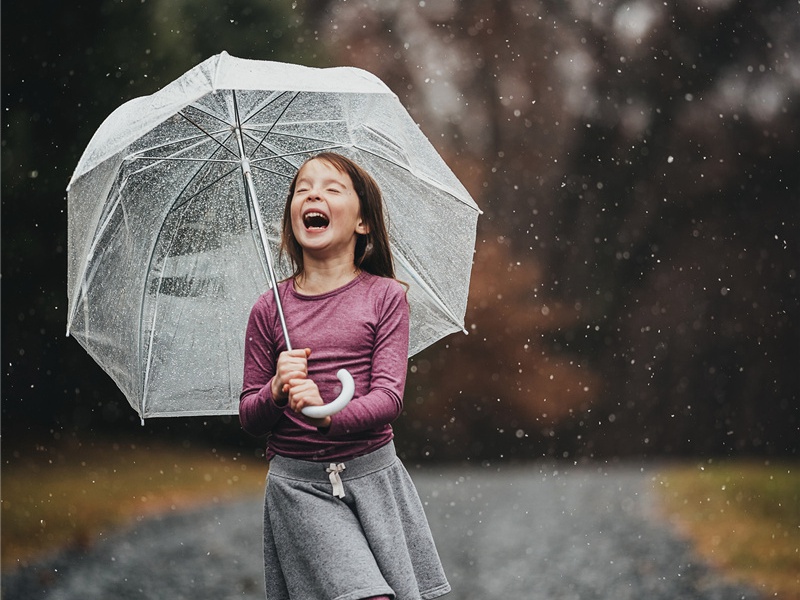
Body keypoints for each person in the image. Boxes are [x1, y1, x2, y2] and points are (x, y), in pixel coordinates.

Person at [239, 152, 450, 600]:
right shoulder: (268, 309)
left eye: (332, 188)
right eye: (302, 189)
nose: (313, 193)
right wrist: (275, 390)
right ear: (292, 217)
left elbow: (389, 398)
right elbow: (249, 417)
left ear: (363, 223)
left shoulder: (386, 298)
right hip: (300, 488)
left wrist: (330, 416)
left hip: (375, 478)